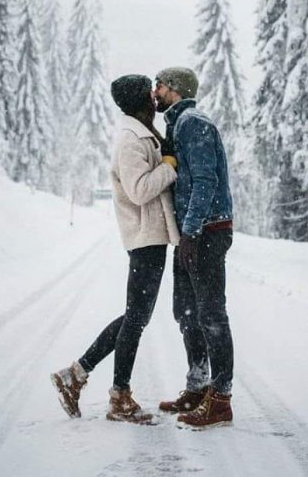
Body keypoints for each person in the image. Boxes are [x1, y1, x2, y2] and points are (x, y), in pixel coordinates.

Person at [50, 74, 180, 425]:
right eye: (149, 94)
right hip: (144, 236)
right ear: (139, 101)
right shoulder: (130, 139)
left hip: (152, 235)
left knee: (135, 316)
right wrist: (169, 167)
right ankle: (117, 396)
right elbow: (139, 191)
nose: (155, 98)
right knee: (136, 317)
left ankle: (76, 375)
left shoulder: (143, 132)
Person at [154, 66, 234, 429]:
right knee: (185, 311)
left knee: (211, 315)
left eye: (159, 85)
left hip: (207, 231)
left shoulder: (193, 123)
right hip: (193, 232)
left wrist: (190, 232)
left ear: (174, 89)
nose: (154, 91)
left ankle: (220, 399)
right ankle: (198, 385)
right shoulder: (178, 124)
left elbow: (205, 179)